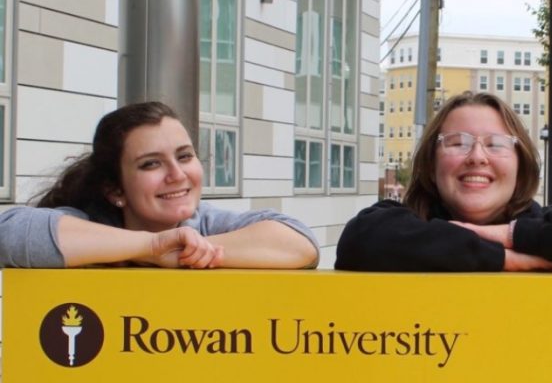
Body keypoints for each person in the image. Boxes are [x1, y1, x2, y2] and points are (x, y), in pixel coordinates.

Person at [335, 91, 552, 273]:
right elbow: (359, 241)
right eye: (457, 143)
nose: (477, 157)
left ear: (522, 166)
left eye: (496, 144)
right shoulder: (391, 224)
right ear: (431, 164)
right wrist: (507, 259)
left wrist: (512, 235)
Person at [0, 101, 319, 269]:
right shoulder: (91, 223)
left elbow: (300, 243)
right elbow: (10, 233)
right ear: (115, 189)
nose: (177, 174)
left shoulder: (209, 225)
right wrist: (151, 248)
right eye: (151, 163)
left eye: (184, 156)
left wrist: (181, 255)